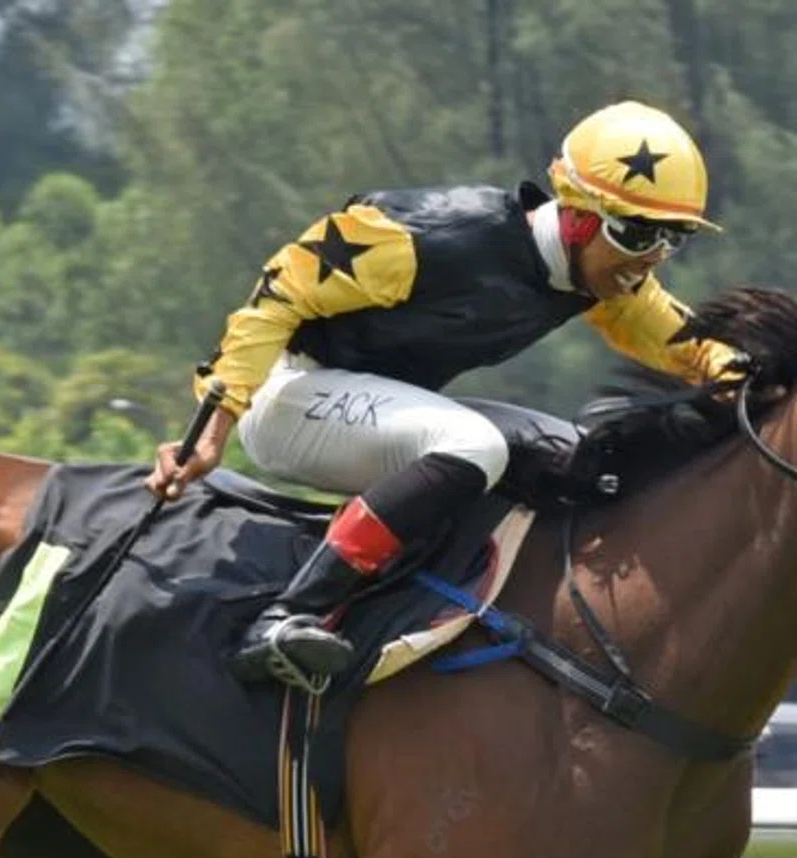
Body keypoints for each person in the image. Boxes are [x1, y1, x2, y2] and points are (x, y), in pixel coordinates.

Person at [145, 100, 748, 691]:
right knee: (473, 443)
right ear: (578, 216)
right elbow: (281, 289)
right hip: (288, 398)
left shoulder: (601, 272)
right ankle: (280, 620)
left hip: (366, 402)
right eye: (639, 234)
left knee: (571, 452)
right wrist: (214, 425)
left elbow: (689, 343)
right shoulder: (433, 234)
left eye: (674, 239)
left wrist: (761, 377)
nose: (651, 259)